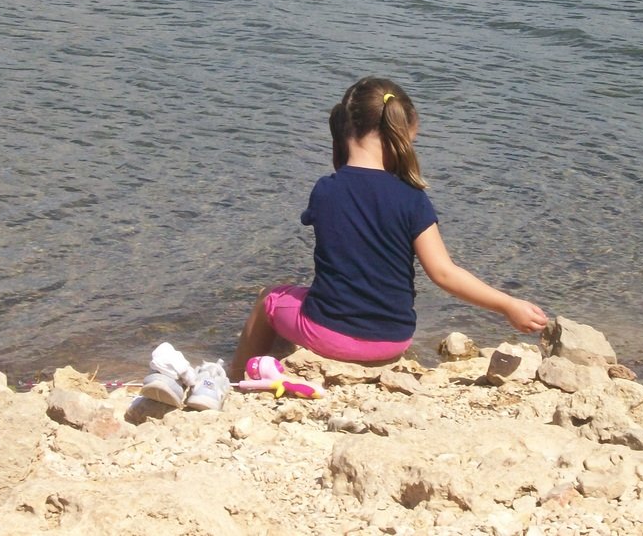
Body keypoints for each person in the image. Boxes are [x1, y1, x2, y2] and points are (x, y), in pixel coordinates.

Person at [229, 76, 548, 381]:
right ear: (400, 133)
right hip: (392, 340)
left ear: (344, 127)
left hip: (329, 336)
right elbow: (444, 274)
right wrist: (508, 304)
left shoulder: (326, 190)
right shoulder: (412, 198)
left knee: (270, 298)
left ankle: (234, 379)